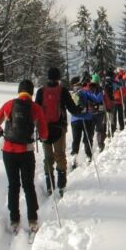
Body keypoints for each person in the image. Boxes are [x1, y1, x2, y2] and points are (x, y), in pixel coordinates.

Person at [0, 79, 48, 233]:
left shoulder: (9, 104)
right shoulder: (35, 108)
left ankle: (14, 219)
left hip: (8, 151)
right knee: (28, 185)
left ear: (19, 90)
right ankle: (32, 219)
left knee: (13, 185)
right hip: (26, 151)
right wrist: (42, 137)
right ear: (31, 92)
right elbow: (44, 133)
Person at [34, 67, 80, 198]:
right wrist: (80, 110)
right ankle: (61, 184)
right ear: (58, 78)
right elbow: (72, 108)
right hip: (59, 128)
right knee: (60, 155)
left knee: (48, 157)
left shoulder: (41, 91)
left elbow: (36, 110)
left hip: (44, 129)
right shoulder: (63, 90)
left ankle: (49, 185)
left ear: (48, 77)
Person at [69, 76, 104, 169]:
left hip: (75, 119)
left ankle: (74, 157)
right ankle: (89, 156)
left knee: (76, 139)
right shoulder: (85, 92)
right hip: (87, 118)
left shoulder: (71, 94)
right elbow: (97, 99)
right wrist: (100, 91)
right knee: (87, 138)